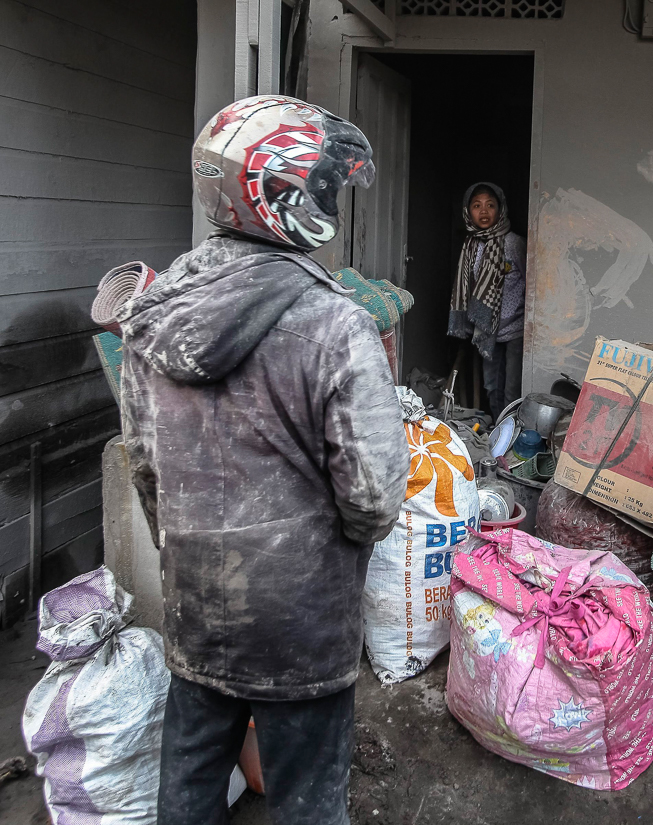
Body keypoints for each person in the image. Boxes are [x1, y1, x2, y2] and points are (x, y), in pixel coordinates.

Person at [117, 96, 410, 825]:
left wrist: (192, 554)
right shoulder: (335, 322)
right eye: (322, 183)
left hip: (198, 608)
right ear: (282, 192)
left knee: (185, 793)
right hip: (301, 624)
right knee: (307, 802)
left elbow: (146, 467)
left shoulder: (153, 314)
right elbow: (373, 496)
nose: (329, 198)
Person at [447, 182, 527, 419]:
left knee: (512, 389)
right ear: (467, 211)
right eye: (477, 205)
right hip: (485, 330)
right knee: (491, 385)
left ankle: (510, 435)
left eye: (490, 205)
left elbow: (530, 280)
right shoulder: (470, 245)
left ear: (500, 209)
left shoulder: (514, 243)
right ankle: (496, 432)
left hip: (515, 329)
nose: (483, 211)